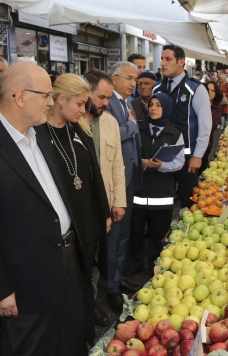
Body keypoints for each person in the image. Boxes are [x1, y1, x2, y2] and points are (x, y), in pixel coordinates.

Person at [0, 63, 86, 356]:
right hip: (25, 279)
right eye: (46, 95)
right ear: (21, 96)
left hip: (66, 264)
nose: (51, 102)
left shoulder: (42, 138)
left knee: (71, 341)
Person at [45, 73, 113, 347]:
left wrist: (104, 212)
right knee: (65, 291)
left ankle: (84, 339)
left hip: (88, 224)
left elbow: (93, 174)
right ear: (61, 100)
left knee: (85, 283)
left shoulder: (80, 130)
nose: (85, 110)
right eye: (80, 104)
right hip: (62, 229)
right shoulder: (37, 134)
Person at [83, 70, 127, 328]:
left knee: (100, 256)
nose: (105, 103)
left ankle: (93, 302)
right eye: (101, 97)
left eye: (108, 98)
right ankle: (85, 306)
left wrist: (118, 201)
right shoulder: (69, 121)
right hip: (78, 206)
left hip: (105, 206)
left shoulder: (109, 122)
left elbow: (117, 165)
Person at [130, 92, 185, 277]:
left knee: (158, 232)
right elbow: (128, 152)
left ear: (167, 108)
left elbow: (179, 161)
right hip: (139, 190)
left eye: (158, 105)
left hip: (162, 192)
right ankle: (135, 265)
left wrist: (163, 165)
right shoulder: (138, 128)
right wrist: (140, 161)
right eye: (151, 104)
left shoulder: (175, 133)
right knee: (135, 231)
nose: (153, 108)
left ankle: (154, 267)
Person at [152, 45, 212, 209]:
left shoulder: (196, 88)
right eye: (162, 59)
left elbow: (205, 125)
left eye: (168, 59)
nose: (163, 63)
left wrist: (198, 155)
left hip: (187, 158)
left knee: (187, 202)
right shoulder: (157, 87)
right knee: (162, 201)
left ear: (181, 62)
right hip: (161, 156)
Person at [104, 61, 143, 311]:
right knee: (114, 237)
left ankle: (117, 279)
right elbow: (111, 134)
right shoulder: (107, 102)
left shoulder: (126, 103)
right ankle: (110, 287)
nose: (133, 84)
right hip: (116, 181)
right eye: (129, 78)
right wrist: (132, 126)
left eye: (135, 80)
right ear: (114, 78)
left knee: (123, 235)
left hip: (128, 178)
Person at [201, 81, 224, 173]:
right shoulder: (198, 104)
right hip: (193, 142)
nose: (209, 92)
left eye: (212, 90)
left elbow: (213, 125)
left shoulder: (217, 108)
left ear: (216, 93)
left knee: (203, 164)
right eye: (207, 89)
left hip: (207, 142)